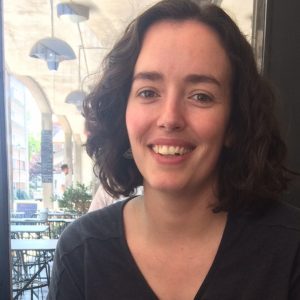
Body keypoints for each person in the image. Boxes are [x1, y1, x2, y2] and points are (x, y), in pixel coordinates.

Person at [47, 0, 300, 299]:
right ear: (122, 113)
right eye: (148, 92)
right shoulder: (82, 252)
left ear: (234, 122)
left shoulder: (290, 251)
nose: (169, 118)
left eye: (201, 96)